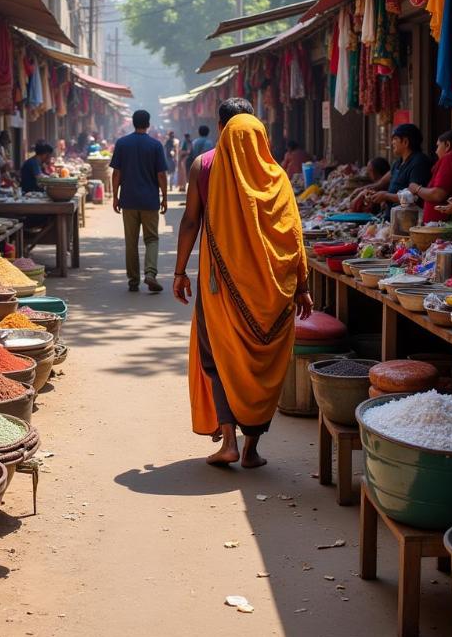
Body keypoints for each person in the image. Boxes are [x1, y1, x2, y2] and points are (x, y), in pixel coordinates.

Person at [173, 98, 312, 469]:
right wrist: (302, 285)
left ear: (221, 128)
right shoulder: (278, 178)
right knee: (262, 365)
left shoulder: (203, 166)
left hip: (220, 290)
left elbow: (190, 221)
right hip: (273, 293)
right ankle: (251, 450)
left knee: (218, 356)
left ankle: (229, 442)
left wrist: (179, 270)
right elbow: (293, 235)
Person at [111, 110, 168, 293]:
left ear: (133, 123)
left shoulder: (122, 143)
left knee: (131, 242)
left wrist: (115, 196)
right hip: (150, 201)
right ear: (148, 124)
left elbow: (116, 173)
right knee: (151, 239)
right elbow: (161, 175)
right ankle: (150, 273)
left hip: (128, 200)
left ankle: (133, 280)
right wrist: (164, 197)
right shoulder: (156, 145)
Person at [408, 129, 452, 223]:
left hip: (444, 226)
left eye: (438, 146)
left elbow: (438, 195)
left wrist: (416, 188)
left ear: (447, 145)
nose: (436, 151)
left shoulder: (450, 158)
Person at [369, 124, 433, 219]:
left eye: (395, 139)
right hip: (392, 218)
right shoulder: (398, 163)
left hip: (408, 222)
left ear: (406, 142)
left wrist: (386, 196)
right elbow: (382, 183)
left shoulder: (419, 162)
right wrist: (368, 192)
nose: (392, 143)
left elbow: (413, 197)